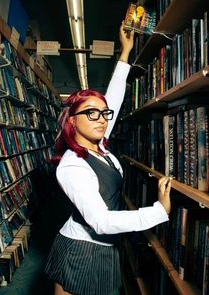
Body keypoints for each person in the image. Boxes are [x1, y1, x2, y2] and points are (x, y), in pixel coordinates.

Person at [44, 23, 171, 295]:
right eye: (91, 114)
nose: (101, 119)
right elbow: (101, 221)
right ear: (72, 122)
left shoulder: (98, 143)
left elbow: (112, 98)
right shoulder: (71, 165)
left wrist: (124, 54)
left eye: (103, 114)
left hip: (102, 246)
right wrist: (158, 212)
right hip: (82, 248)